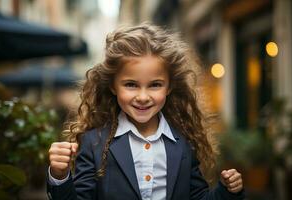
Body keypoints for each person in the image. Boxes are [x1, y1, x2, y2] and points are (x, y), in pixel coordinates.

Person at [47, 23, 244, 200]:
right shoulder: (94, 142)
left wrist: (227, 191)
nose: (143, 96)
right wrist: (59, 176)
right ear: (113, 86)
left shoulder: (183, 141)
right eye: (131, 85)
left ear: (169, 87)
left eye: (155, 85)